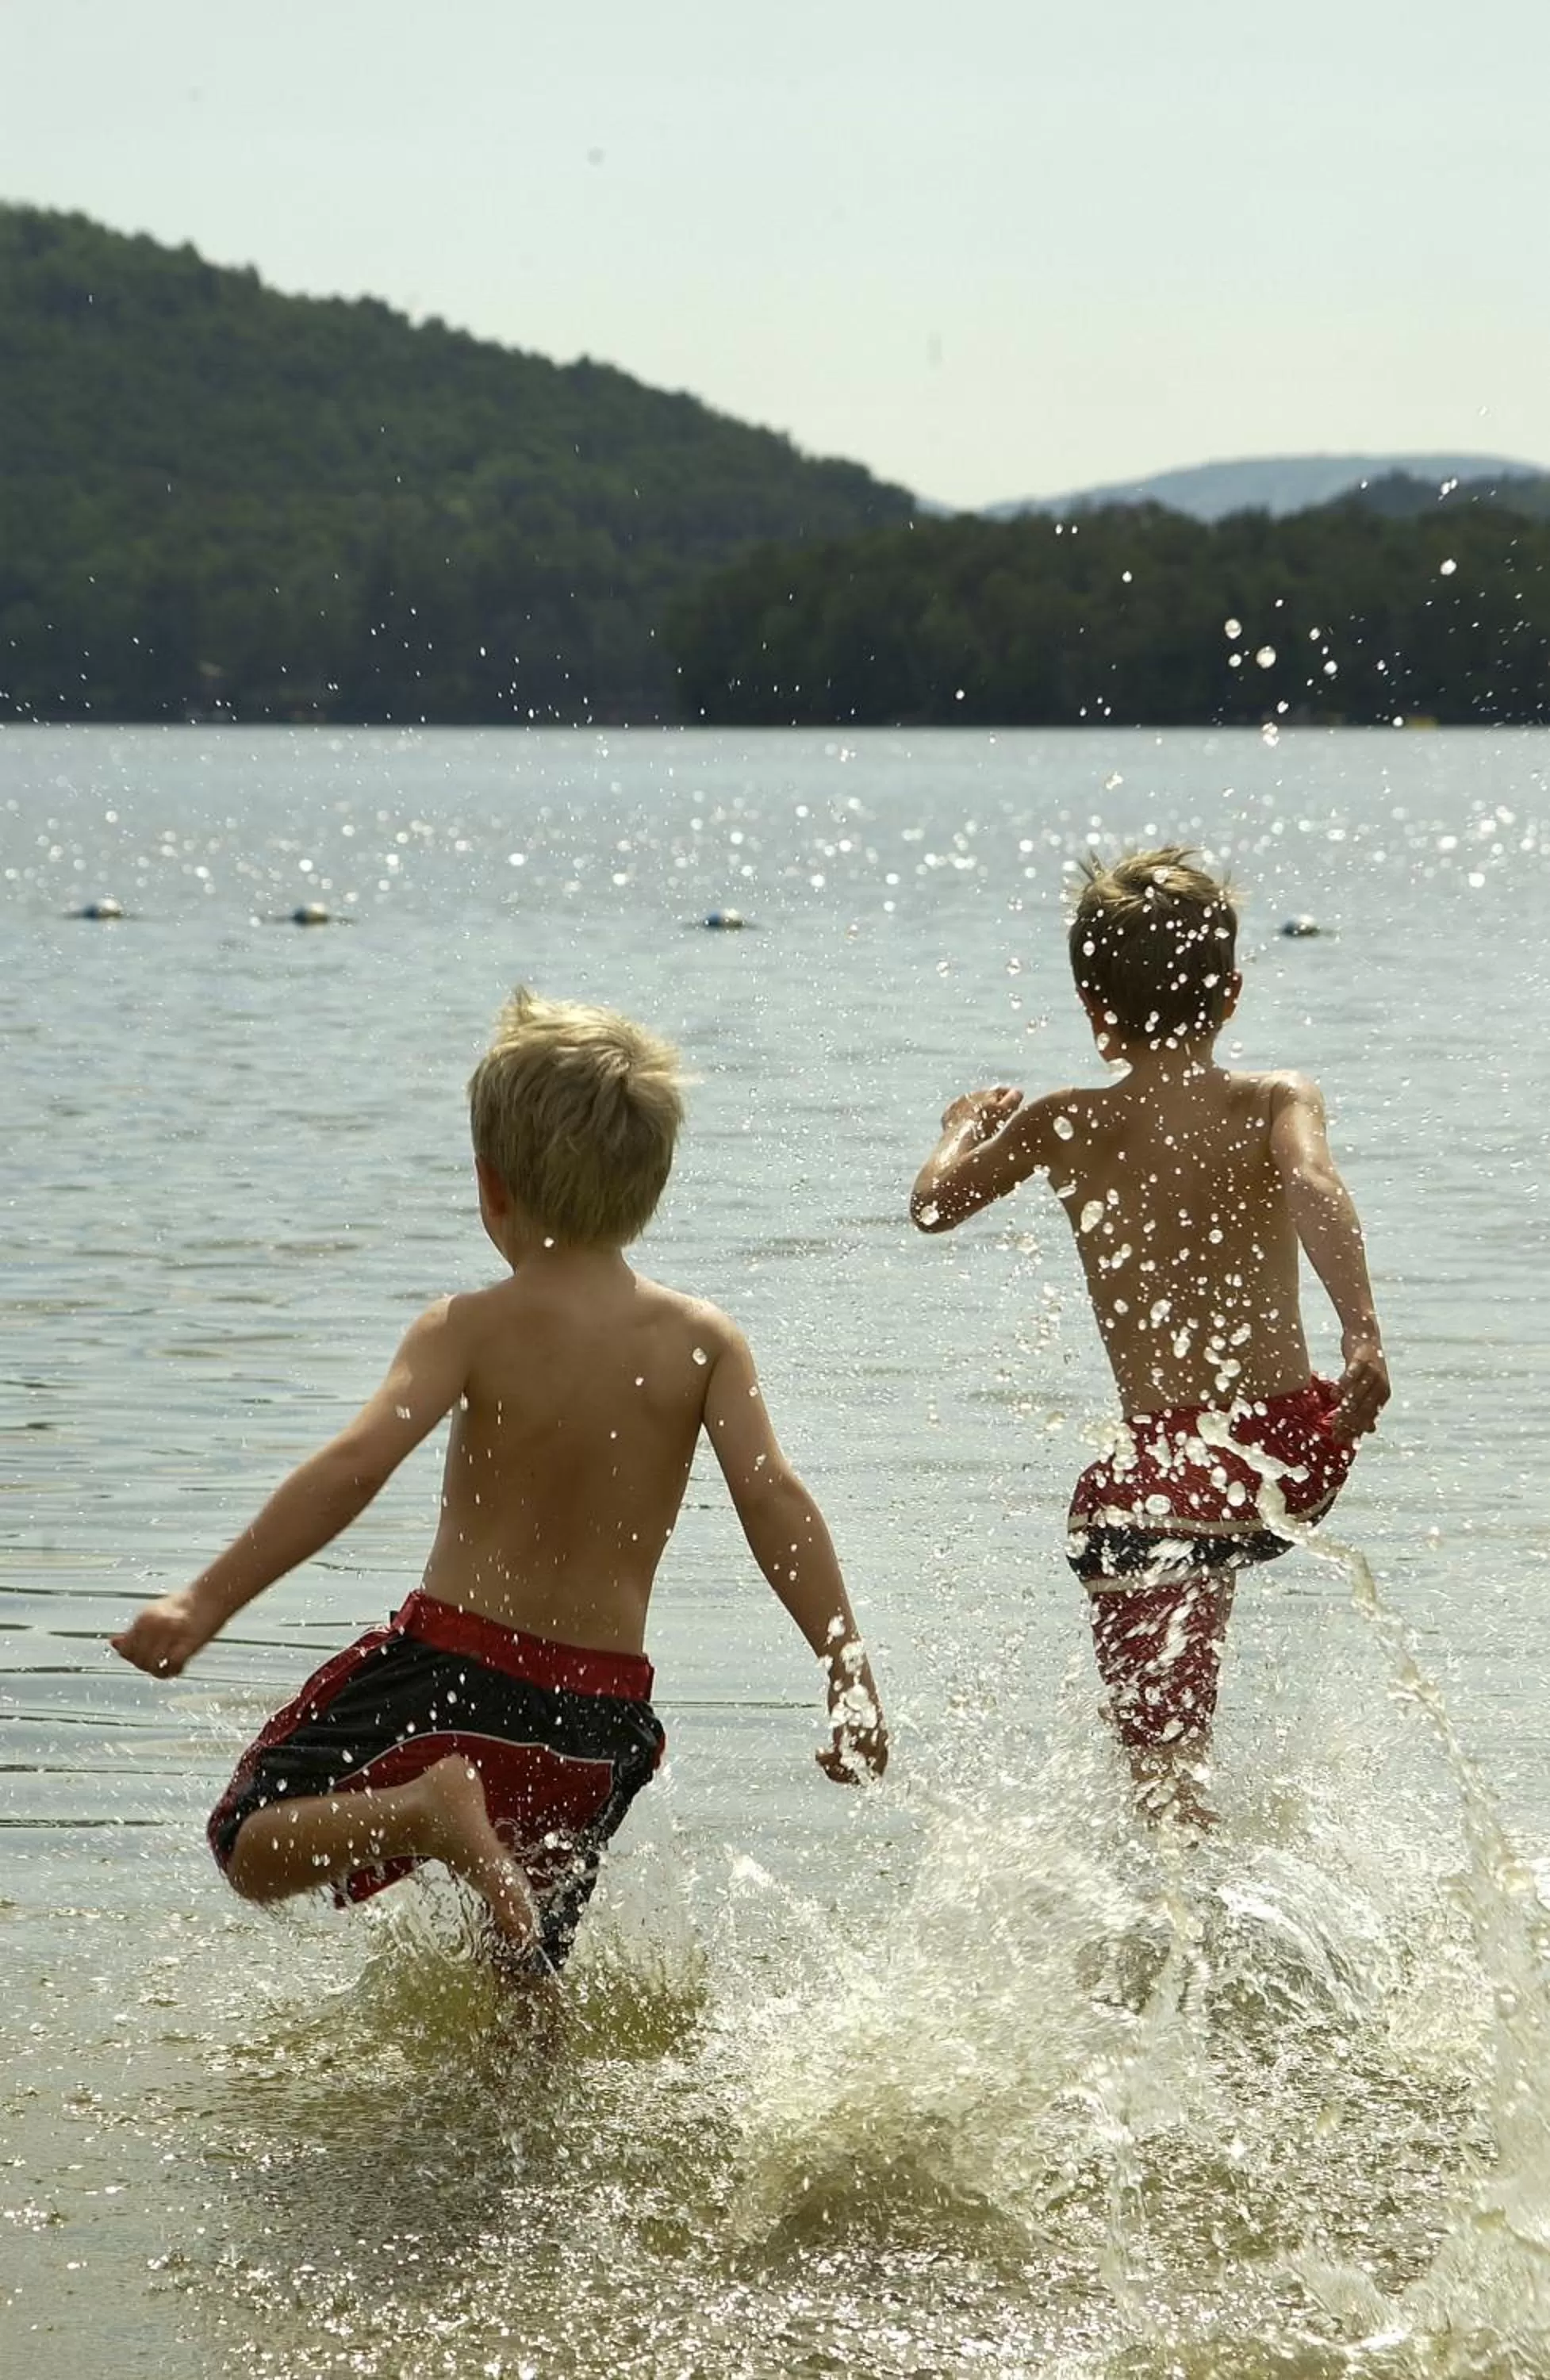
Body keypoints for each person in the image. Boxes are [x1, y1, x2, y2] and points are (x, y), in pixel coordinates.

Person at [113, 988, 887, 1979]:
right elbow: (772, 1498)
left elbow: (356, 1468)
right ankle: (509, 2125)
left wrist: (203, 1601)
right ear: (654, 1187)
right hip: (598, 1719)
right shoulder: (703, 1342)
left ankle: (428, 1813)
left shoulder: (469, 1326)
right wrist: (846, 1670)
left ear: (491, 1187)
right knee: (524, 1979)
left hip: (456, 1670)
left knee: (250, 1842)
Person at [910, 849, 1387, 1826]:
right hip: (1291, 1444)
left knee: (1160, 1769)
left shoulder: (1061, 1122)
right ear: (1233, 996)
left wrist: (960, 1126)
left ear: (1093, 1006)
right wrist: (1362, 1337)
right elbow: (1313, 1187)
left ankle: (1182, 1885)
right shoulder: (1273, 1101)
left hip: (1168, 1477)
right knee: (1191, 1561)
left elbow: (931, 1208)